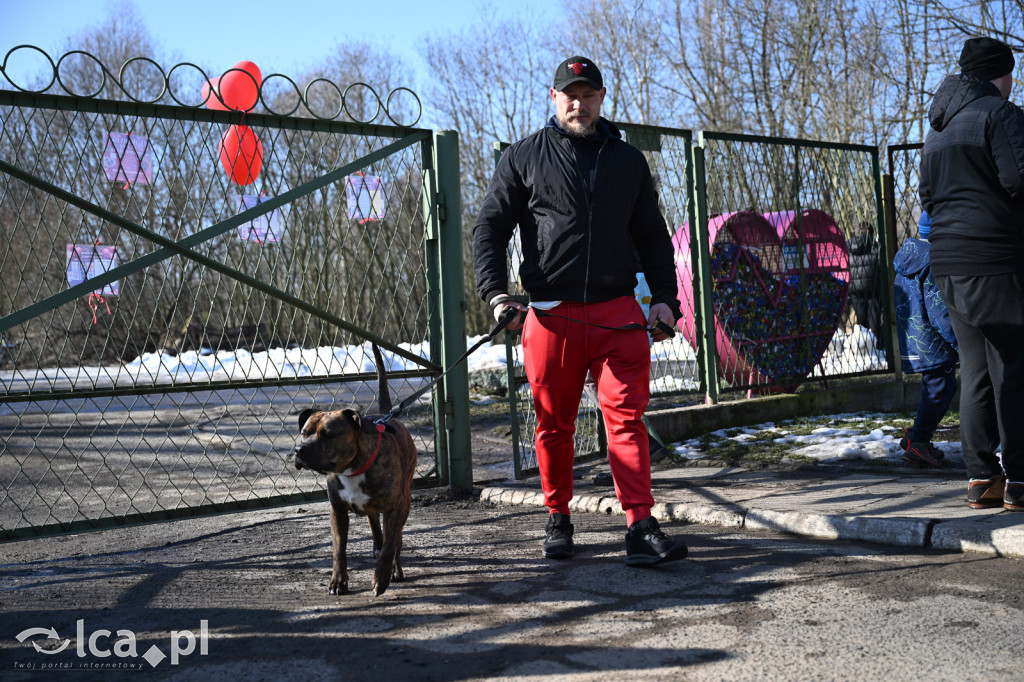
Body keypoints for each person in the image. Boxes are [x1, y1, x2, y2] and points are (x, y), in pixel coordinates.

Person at [472, 56, 689, 564]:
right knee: (553, 423)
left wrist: (665, 300)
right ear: (553, 97)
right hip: (551, 314)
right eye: (569, 93)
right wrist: (497, 294)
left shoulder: (628, 161)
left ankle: (639, 525)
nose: (578, 102)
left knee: (627, 419)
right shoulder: (524, 158)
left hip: (618, 312)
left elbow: (653, 238)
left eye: (588, 94)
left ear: (601, 98)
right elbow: (489, 229)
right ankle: (558, 518)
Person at [919, 36, 1024, 512]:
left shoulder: (938, 128)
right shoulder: (1000, 114)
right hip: (996, 259)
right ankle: (1021, 479)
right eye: (1009, 73)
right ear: (996, 74)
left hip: (948, 263)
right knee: (1015, 368)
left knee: (977, 369)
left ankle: (983, 478)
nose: (1012, 82)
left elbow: (926, 198)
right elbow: (1020, 179)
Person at [893, 212, 958, 468]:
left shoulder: (908, 258)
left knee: (938, 387)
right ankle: (919, 441)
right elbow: (939, 310)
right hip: (933, 342)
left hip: (914, 338)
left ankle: (916, 437)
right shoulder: (932, 263)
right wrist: (958, 341)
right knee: (940, 388)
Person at [847, 222, 886, 353]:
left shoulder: (847, 246)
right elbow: (881, 268)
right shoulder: (875, 246)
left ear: (856, 232)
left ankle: (861, 349)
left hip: (854, 289)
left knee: (860, 320)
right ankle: (878, 348)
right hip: (872, 289)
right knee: (875, 319)